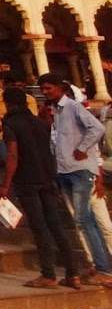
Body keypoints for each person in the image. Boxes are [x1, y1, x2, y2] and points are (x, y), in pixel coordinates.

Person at [0, 85, 90, 288]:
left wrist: (6, 184)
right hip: (48, 178)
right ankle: (72, 273)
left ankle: (48, 274)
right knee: (56, 226)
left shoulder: (11, 123)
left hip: (27, 180)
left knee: (40, 227)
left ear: (7, 103)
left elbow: (12, 154)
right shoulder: (40, 123)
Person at [38, 73, 112, 277]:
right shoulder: (54, 112)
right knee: (81, 221)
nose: (45, 92)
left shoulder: (72, 107)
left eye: (48, 88)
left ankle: (104, 267)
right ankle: (98, 264)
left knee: (87, 220)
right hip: (65, 171)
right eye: (43, 89)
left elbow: (96, 128)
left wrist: (83, 147)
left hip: (80, 171)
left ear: (60, 88)